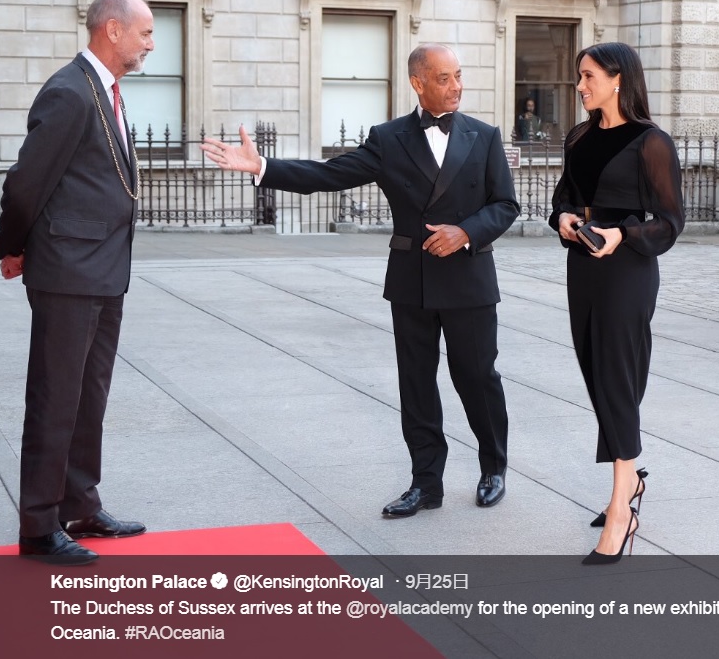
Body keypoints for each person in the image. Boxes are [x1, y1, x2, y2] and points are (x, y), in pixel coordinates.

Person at [202, 43, 520, 516]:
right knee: (416, 384)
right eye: (444, 78)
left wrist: (465, 232)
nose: (456, 87)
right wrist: (261, 167)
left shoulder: (485, 135)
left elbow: (505, 205)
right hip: (411, 279)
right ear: (418, 82)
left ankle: (493, 467)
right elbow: (329, 175)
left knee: (476, 377)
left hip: (469, 278)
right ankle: (425, 483)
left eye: (459, 76)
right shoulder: (389, 138)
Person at [0, 0, 153, 564]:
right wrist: (13, 245)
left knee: (90, 396)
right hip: (68, 271)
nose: (150, 44)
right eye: (145, 33)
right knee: (56, 397)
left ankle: (80, 503)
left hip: (105, 269)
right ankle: (38, 526)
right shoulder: (68, 91)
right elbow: (26, 182)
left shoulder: (105, 92)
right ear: (113, 30)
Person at [549, 42, 684, 564]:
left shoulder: (652, 143)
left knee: (617, 380)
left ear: (617, 78)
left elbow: (670, 222)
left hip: (626, 270)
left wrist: (622, 235)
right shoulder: (579, 135)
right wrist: (564, 219)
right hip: (582, 266)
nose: (579, 85)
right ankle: (629, 484)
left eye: (586, 76)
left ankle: (621, 505)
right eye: (578, 76)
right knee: (596, 374)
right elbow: (565, 195)